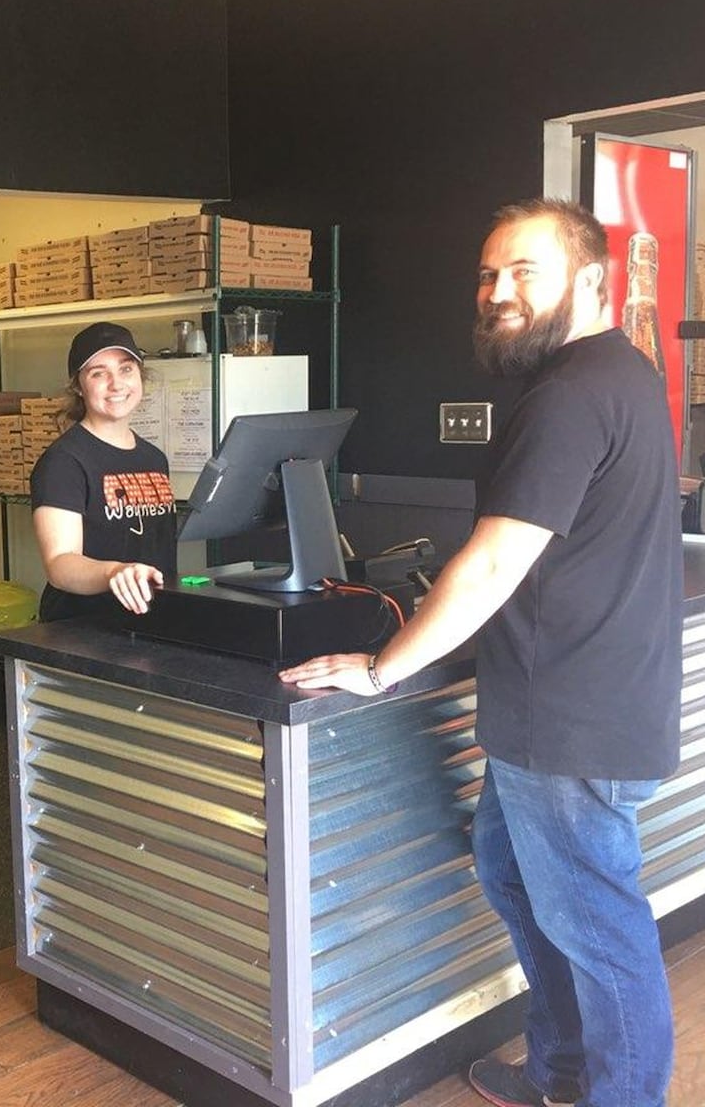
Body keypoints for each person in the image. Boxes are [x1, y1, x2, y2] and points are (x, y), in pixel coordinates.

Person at [280, 199, 681, 1107]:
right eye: (489, 274)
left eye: (523, 272)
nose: (498, 291)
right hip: (567, 704)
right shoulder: (619, 374)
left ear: (590, 279)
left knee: (600, 930)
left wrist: (382, 668)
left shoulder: (574, 395)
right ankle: (562, 1069)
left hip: (567, 716)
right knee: (511, 872)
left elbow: (496, 560)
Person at [29, 322, 178, 622]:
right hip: (83, 629)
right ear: (78, 386)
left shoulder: (154, 459)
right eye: (99, 373)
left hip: (150, 622)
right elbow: (60, 563)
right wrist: (114, 572)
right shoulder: (64, 461)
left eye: (125, 369)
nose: (116, 384)